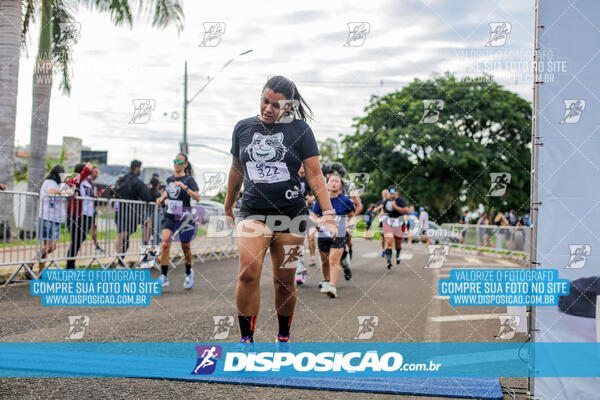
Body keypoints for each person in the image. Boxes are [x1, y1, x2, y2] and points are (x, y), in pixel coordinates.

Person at [223, 75, 337, 350]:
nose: (268, 109)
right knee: (248, 273)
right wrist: (228, 204)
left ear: (289, 106)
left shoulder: (301, 131)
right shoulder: (243, 128)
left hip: (291, 215)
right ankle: (246, 340)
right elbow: (237, 170)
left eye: (276, 105)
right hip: (253, 212)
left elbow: (315, 175)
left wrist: (329, 214)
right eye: (265, 101)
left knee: (284, 281)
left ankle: (283, 335)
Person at [156, 153, 200, 289]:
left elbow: (197, 197)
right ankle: (164, 277)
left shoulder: (189, 180)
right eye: (175, 161)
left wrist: (183, 186)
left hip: (184, 216)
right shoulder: (169, 179)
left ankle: (188, 273)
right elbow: (168, 193)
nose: (177, 164)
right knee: (165, 244)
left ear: (185, 165)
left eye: (180, 162)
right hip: (170, 215)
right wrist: (162, 198)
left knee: (185, 247)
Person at [311, 173, 355, 298]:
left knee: (333, 261)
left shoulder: (345, 201)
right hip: (323, 234)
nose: (334, 183)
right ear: (327, 184)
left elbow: (352, 216)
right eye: (331, 181)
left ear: (341, 185)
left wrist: (349, 226)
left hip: (340, 234)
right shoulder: (321, 199)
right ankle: (326, 281)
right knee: (324, 260)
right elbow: (313, 216)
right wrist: (318, 222)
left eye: (337, 181)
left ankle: (332, 286)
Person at [30, 165, 73, 277]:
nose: (64, 176)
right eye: (63, 174)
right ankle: (30, 262)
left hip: (56, 218)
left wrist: (68, 190)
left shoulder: (62, 185)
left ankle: (40, 271)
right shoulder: (49, 182)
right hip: (46, 217)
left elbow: (71, 193)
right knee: (51, 246)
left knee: (46, 247)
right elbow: (51, 191)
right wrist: (65, 191)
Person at [113, 160, 154, 261]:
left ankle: (120, 259)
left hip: (119, 212)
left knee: (121, 234)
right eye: (140, 168)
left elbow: (113, 193)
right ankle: (145, 247)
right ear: (137, 169)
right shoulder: (137, 181)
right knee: (148, 222)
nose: (140, 170)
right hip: (132, 213)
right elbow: (148, 197)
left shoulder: (120, 180)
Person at [65, 163, 94, 269]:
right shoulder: (75, 180)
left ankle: (71, 265)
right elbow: (74, 183)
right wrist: (87, 168)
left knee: (80, 238)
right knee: (76, 240)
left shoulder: (88, 182)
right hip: (74, 215)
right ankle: (70, 266)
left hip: (86, 215)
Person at [382, 188, 408, 268]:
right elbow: (384, 210)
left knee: (398, 244)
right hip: (389, 223)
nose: (392, 194)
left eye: (393, 192)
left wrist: (395, 207)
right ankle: (389, 261)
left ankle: (397, 254)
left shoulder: (401, 200)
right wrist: (383, 215)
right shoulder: (386, 201)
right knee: (389, 242)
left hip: (399, 224)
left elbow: (406, 211)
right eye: (390, 192)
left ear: (397, 192)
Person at [373, 189, 389, 257]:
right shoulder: (380, 202)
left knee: (387, 237)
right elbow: (374, 210)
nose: (385, 194)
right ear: (382, 195)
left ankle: (387, 249)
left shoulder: (390, 202)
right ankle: (383, 249)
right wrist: (380, 207)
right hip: (382, 221)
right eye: (384, 193)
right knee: (382, 239)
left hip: (389, 221)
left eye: (386, 193)